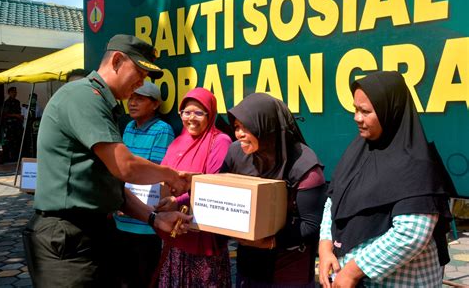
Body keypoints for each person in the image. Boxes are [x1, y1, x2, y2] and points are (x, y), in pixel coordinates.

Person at [22, 34, 192, 288]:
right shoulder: (83, 97)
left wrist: (153, 219)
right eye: (140, 72)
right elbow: (125, 167)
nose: (140, 83)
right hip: (66, 238)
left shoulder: (103, 103)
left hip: (92, 233)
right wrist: (170, 175)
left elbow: (110, 186)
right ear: (116, 60)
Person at [318, 71, 454, 288]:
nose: (357, 118)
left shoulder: (417, 164)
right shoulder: (358, 152)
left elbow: (412, 232)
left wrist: (352, 271)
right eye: (355, 109)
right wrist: (325, 249)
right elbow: (333, 201)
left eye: (365, 111)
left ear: (391, 111)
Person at [221, 93, 327, 287]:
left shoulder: (305, 165)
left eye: (247, 127)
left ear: (266, 126)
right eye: (236, 127)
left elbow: (311, 225)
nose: (239, 134)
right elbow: (222, 190)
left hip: (288, 271)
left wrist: (268, 241)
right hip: (248, 267)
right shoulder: (237, 152)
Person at [156, 87, 233, 287]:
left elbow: (215, 185)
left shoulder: (220, 141)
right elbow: (164, 180)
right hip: (174, 234)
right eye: (186, 112)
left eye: (199, 113)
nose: (191, 118)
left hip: (201, 232)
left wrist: (176, 201)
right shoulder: (177, 142)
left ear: (211, 114)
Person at [113, 82, 175, 288]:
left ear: (155, 104)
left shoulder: (162, 130)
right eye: (131, 98)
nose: (132, 103)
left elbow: (154, 172)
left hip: (146, 224)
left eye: (140, 99)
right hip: (122, 219)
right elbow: (121, 169)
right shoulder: (128, 127)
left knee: (146, 279)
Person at [2, 86, 23, 161]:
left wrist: (20, 116)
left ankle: (16, 157)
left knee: (17, 141)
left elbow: (19, 112)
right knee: (10, 142)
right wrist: (15, 115)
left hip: (17, 125)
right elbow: (5, 114)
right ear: (9, 93)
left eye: (15, 92)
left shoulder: (17, 102)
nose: (15, 93)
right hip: (10, 125)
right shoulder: (7, 103)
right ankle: (9, 158)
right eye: (13, 92)